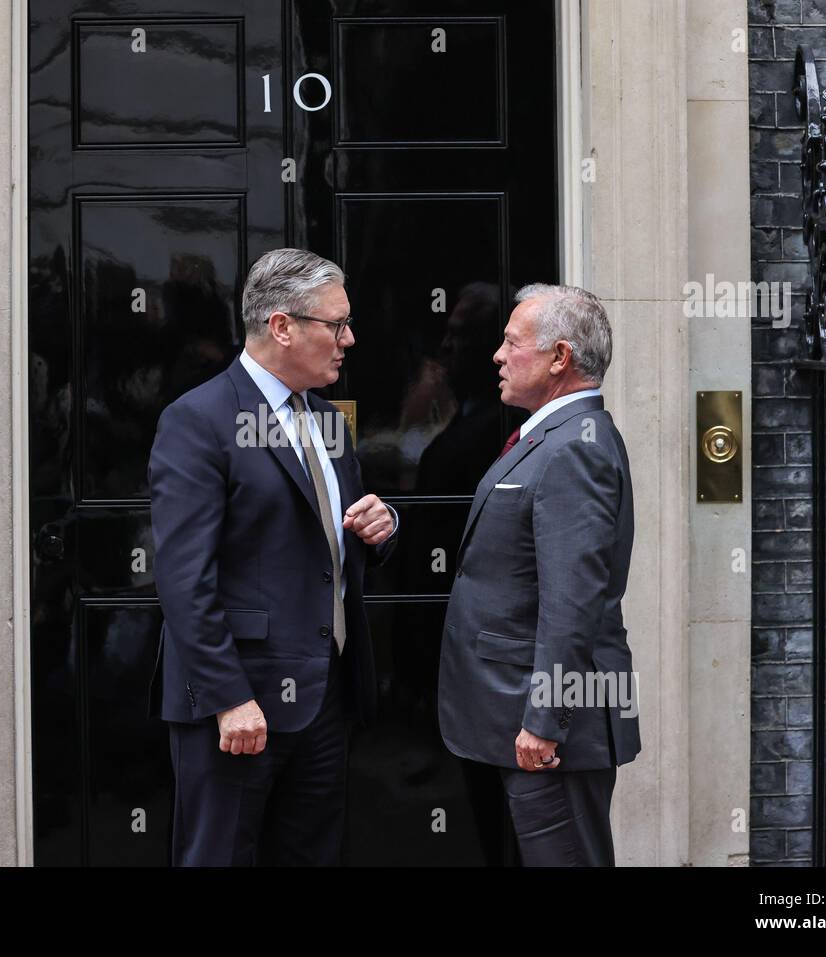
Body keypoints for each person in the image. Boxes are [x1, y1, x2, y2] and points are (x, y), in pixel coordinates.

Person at [149, 247, 398, 866]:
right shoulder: (197, 420)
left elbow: (325, 545)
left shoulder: (329, 421)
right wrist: (229, 698)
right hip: (238, 701)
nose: (350, 338)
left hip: (324, 695)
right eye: (336, 324)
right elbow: (184, 579)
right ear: (282, 326)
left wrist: (382, 526)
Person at [437, 283, 639, 866]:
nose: (497, 355)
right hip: (518, 719)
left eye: (511, 342)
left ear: (560, 358)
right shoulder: (551, 438)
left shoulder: (574, 448)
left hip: (548, 730)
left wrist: (546, 723)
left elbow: (572, 602)